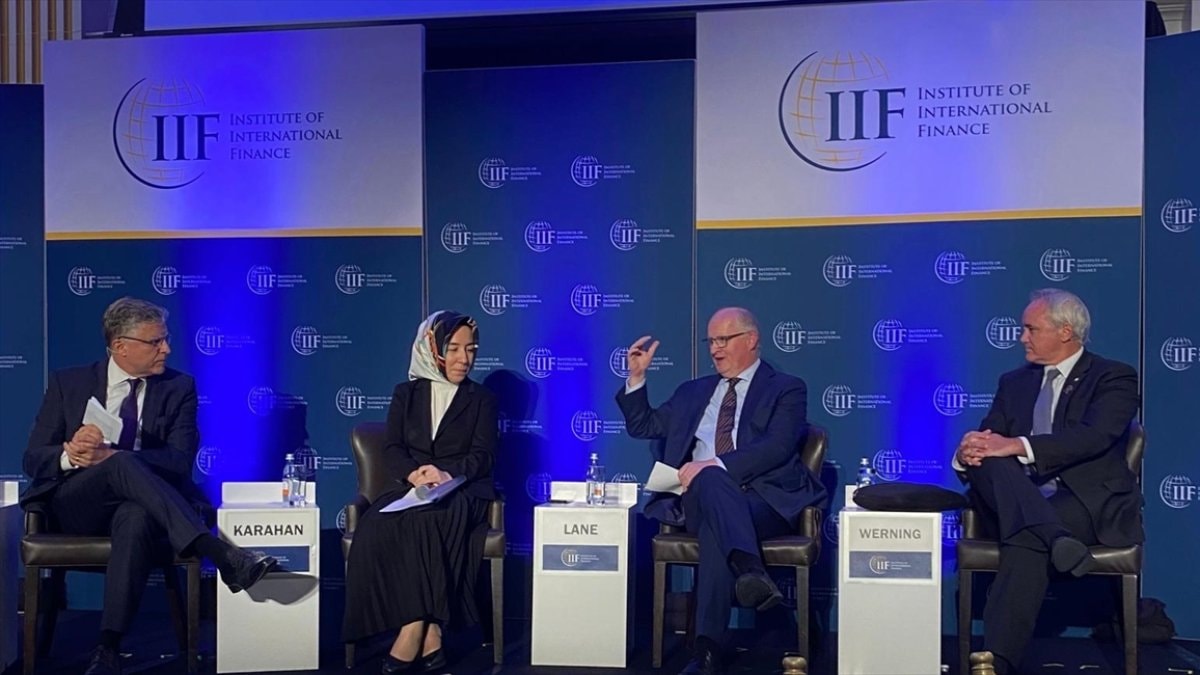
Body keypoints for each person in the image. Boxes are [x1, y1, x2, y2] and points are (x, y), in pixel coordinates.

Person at [22, 297, 277, 675]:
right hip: (77, 504)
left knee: (135, 512)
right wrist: (70, 454)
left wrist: (113, 457)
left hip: (146, 506)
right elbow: (32, 459)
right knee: (120, 463)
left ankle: (107, 648)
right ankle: (218, 552)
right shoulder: (69, 383)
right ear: (120, 346)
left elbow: (179, 462)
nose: (167, 349)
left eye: (166, 339)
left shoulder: (179, 387)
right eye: (155, 341)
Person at [615, 307, 825, 675]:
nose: (715, 349)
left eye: (723, 339)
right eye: (711, 341)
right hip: (697, 499)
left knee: (716, 519)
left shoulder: (786, 388)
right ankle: (749, 569)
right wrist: (637, 377)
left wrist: (714, 465)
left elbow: (777, 447)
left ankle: (705, 653)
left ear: (751, 339)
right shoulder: (693, 392)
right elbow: (644, 426)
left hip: (762, 501)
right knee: (710, 484)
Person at [955, 288, 1142, 675]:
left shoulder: (1113, 376)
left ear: (1065, 332)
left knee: (1025, 536)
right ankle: (1053, 536)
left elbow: (1093, 437)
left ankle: (996, 663)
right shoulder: (1014, 382)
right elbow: (991, 437)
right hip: (1017, 496)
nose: (1021, 337)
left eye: (1031, 329)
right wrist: (967, 452)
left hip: (1083, 500)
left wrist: (1016, 445)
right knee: (989, 459)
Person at [343, 311, 497, 674]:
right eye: (454, 349)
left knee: (428, 522)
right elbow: (393, 448)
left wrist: (447, 473)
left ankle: (412, 629)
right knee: (377, 524)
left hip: (462, 489)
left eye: (471, 349)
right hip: (411, 487)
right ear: (433, 350)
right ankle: (430, 633)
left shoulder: (481, 399)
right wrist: (415, 475)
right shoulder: (406, 394)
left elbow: (484, 456)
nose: (464, 358)